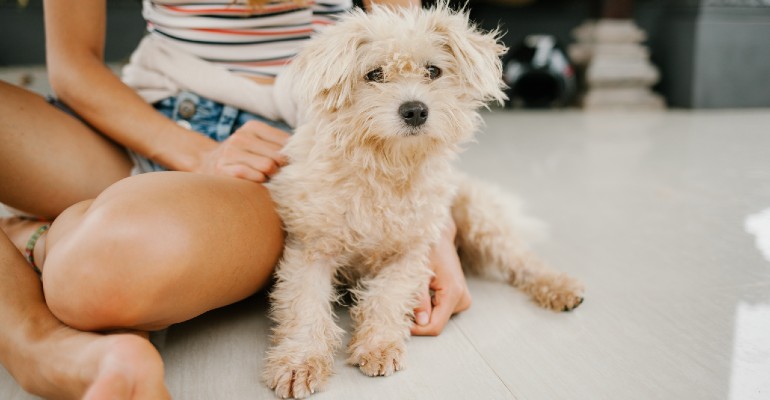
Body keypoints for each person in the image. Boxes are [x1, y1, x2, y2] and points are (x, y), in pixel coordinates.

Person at [0, 0, 472, 398]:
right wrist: (197, 154)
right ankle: (33, 340)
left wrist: (430, 226)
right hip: (138, 119)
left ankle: (39, 240)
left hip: (280, 156)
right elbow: (73, 63)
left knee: (94, 275)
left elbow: (411, 61)